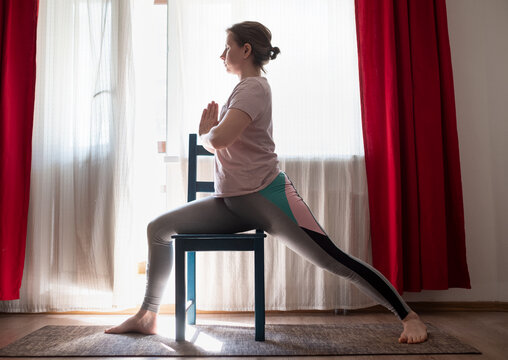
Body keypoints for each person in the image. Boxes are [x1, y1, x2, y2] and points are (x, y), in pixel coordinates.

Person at [105, 21, 428, 344]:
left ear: (245, 50)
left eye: (227, 47)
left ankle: (409, 316)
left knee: (333, 259)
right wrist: (212, 134)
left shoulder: (254, 88)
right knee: (158, 228)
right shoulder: (241, 89)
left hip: (270, 201)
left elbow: (220, 138)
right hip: (232, 203)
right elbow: (221, 137)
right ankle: (147, 316)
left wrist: (207, 134)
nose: (222, 54)